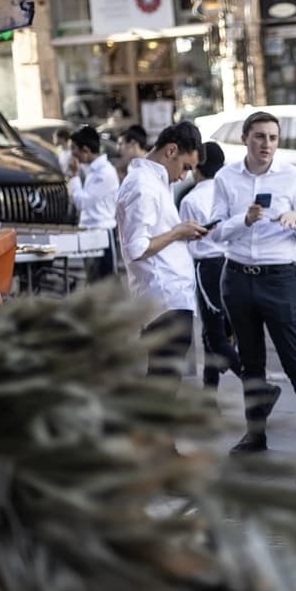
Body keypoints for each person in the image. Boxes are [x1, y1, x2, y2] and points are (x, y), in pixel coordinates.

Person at [209, 111, 296, 455]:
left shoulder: (294, 177)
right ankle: (255, 435)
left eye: (273, 138)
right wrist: (243, 220)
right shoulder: (226, 177)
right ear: (245, 138)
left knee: (295, 360)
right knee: (251, 362)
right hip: (237, 276)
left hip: (279, 278)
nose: (267, 144)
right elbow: (216, 231)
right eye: (260, 136)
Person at [115, 121, 205, 378]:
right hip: (163, 297)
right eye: (185, 167)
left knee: (165, 381)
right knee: (164, 381)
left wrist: (183, 233)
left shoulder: (155, 180)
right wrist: (178, 232)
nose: (184, 176)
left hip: (171, 295)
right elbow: (137, 247)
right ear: (171, 150)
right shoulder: (142, 185)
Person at [180, 141, 242, 393]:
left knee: (215, 337)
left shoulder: (191, 199)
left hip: (206, 267)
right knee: (212, 333)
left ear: (196, 166)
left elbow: (184, 240)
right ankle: (209, 394)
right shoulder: (228, 193)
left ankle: (257, 385)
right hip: (230, 263)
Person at [68, 125, 121, 282]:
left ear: (85, 150)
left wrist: (74, 176)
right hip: (90, 232)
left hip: (102, 233)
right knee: (93, 282)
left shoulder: (105, 173)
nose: (72, 154)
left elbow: (82, 202)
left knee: (106, 284)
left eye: (73, 148)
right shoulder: (93, 170)